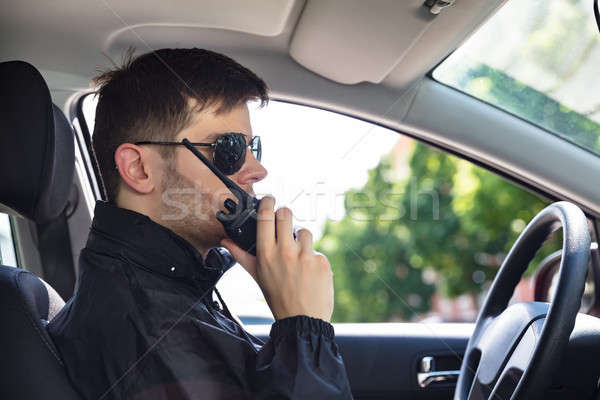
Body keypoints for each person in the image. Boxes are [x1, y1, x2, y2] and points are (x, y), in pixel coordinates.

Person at [48, 48, 353, 399]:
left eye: (253, 147)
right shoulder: (151, 338)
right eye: (229, 148)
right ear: (139, 168)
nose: (258, 170)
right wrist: (304, 327)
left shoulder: (170, 290)